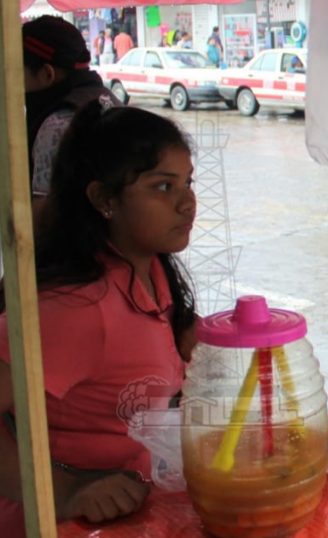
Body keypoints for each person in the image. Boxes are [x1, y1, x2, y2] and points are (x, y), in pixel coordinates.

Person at [0, 102, 197, 534]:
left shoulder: (154, 274)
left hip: (133, 508)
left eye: (187, 182)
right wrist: (64, 489)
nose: (187, 203)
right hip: (56, 523)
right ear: (103, 199)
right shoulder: (78, 309)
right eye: (163, 187)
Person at [23, 16, 120, 204]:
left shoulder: (58, 125)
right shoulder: (109, 99)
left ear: (47, 74)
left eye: (19, 74)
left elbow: (41, 214)